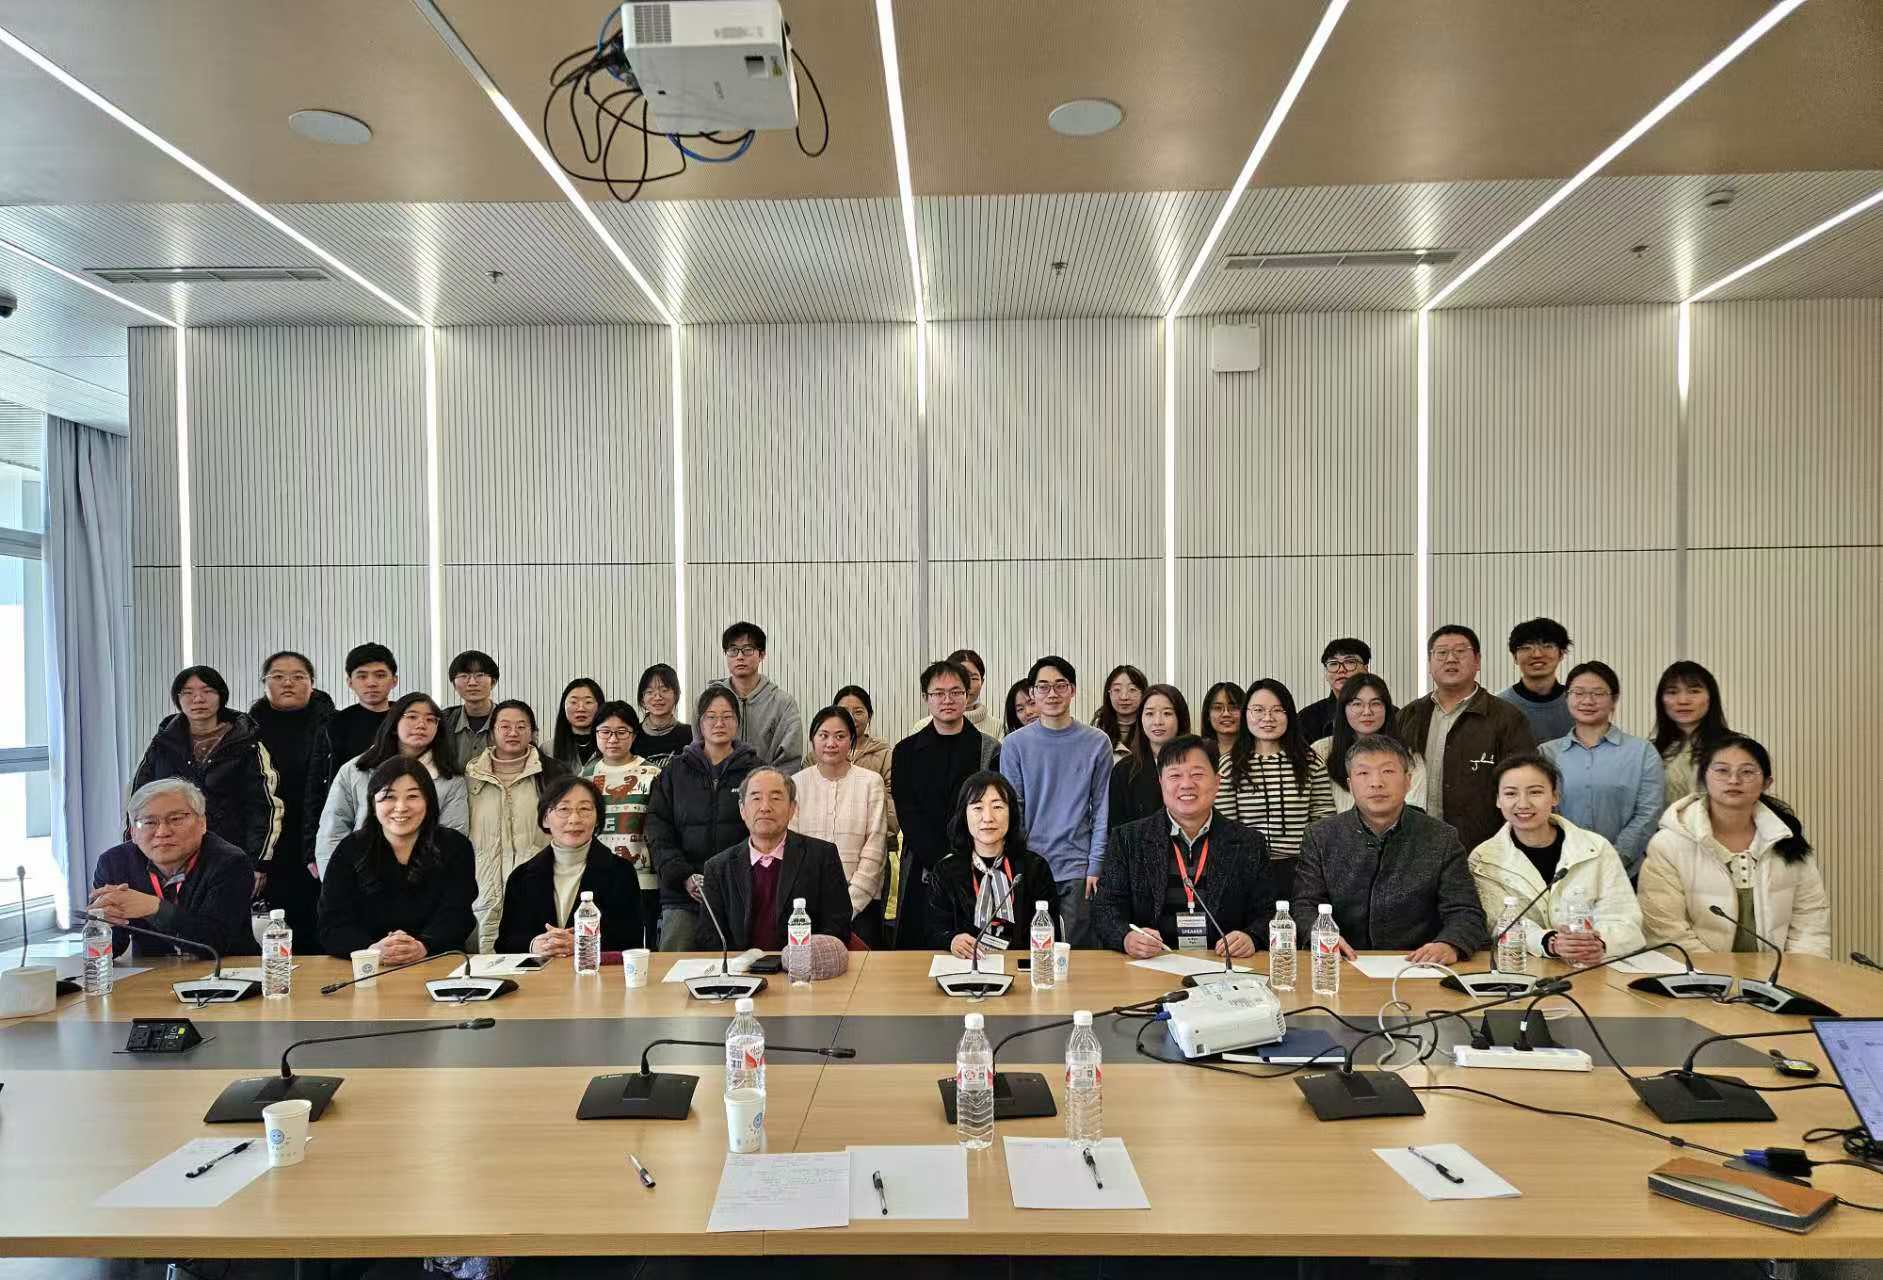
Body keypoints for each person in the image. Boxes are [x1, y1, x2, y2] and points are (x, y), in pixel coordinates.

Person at [1291, 734, 1489, 964]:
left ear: (1408, 781)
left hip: (1416, 966)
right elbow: (1304, 906)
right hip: (1340, 963)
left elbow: (1466, 911)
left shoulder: (1441, 838)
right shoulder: (1321, 836)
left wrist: (1450, 944)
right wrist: (1319, 935)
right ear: (1350, 785)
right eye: (1363, 773)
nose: (1376, 782)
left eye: (1387, 771)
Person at [1638, 735, 1830, 958]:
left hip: (1779, 973)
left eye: (1747, 772)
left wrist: (1798, 972)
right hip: (1698, 974)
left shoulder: (1786, 839)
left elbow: (1810, 920)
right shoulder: (1669, 844)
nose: (1734, 780)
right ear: (1703, 778)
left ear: (1767, 783)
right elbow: (1667, 932)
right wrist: (1717, 974)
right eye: (1722, 770)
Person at [1093, 736, 1271, 959]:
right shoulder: (1128, 839)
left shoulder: (1249, 843)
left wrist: (1252, 937)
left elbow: (1269, 912)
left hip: (1222, 964)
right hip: (1151, 963)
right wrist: (1126, 938)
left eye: (1197, 774)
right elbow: (1105, 908)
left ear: (1217, 781)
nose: (1186, 784)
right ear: (1160, 782)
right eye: (1175, 775)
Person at [1469, 754, 1645, 967]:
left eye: (1535, 792)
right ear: (1498, 800)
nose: (1523, 803)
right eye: (1510, 793)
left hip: (1594, 967)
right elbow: (1497, 924)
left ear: (1555, 797)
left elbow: (1624, 919)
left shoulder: (1596, 848)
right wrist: (1551, 942)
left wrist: (1598, 943)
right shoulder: (1484, 859)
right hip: (1525, 968)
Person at [999, 656, 1112, 946]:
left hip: (1078, 867)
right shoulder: (1014, 745)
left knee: (1077, 954)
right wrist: (1015, 863)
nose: (1052, 694)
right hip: (1031, 865)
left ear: (1072, 690)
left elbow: (1102, 809)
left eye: (1061, 685)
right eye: (1043, 686)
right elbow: (1013, 810)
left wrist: (1096, 865)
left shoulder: (1097, 742)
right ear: (1032, 693)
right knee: (1031, 951)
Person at [318, 757, 477, 961]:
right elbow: (331, 924)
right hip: (365, 967)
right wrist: (372, 950)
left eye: (412, 796)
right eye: (389, 797)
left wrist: (423, 946)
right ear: (373, 802)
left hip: (437, 961)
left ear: (428, 801)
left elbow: (458, 915)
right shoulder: (350, 849)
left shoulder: (455, 846)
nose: (401, 807)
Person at [891, 660, 1001, 949]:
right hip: (922, 866)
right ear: (925, 698)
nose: (947, 700)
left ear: (968, 695)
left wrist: (964, 859)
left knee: (975, 949)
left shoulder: (988, 749)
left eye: (955, 692)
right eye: (938, 693)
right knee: (917, 950)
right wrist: (941, 861)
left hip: (976, 863)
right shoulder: (905, 751)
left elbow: (991, 809)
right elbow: (908, 813)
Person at [1398, 625, 1538, 852]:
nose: (1450, 659)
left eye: (1460, 651)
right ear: (1430, 663)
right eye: (1441, 653)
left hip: (1483, 848)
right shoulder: (1409, 716)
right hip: (1416, 845)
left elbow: (1523, 785)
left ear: (1478, 661)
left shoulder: (1507, 718)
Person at [131, 664, 283, 873]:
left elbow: (264, 807)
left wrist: (257, 863)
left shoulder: (246, 742)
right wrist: (133, 856)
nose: (198, 699)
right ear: (177, 698)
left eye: (207, 691)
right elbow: (138, 802)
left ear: (221, 696)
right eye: (188, 693)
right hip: (171, 855)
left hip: (230, 856)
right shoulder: (163, 744)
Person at [88, 779, 258, 958]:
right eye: (149, 822)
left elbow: (215, 942)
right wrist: (101, 924)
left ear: (202, 824)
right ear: (133, 833)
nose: (162, 832)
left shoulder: (230, 863)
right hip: (154, 972)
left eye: (176, 819)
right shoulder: (114, 864)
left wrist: (155, 908)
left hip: (229, 970)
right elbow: (113, 949)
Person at [646, 686, 760, 950]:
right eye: (711, 716)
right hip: (683, 895)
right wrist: (683, 876)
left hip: (739, 893)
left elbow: (763, 833)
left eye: (727, 716)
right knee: (674, 969)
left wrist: (734, 878)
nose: (719, 723)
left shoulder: (755, 771)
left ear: (738, 723)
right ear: (699, 723)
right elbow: (657, 828)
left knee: (741, 966)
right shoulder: (675, 770)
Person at [313, 692, 470, 877]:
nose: (421, 724)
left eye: (430, 719)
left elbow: (451, 840)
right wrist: (335, 881)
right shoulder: (357, 769)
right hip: (360, 877)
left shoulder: (450, 780)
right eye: (412, 717)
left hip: (422, 882)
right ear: (394, 723)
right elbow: (332, 831)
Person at [697, 768, 853, 950]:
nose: (765, 807)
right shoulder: (718, 868)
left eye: (776, 798)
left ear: (792, 808)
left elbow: (838, 927)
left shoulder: (822, 856)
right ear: (742, 809)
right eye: (756, 798)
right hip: (741, 967)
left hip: (804, 964)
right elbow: (709, 937)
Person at [493, 775, 643, 956]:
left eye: (584, 809)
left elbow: (631, 941)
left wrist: (585, 944)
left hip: (597, 971)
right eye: (564, 809)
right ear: (545, 818)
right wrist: (534, 945)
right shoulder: (521, 876)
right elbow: (505, 943)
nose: (574, 819)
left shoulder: (621, 872)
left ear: (597, 818)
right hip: (542, 972)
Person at [463, 700, 570, 951]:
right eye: (505, 726)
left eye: (521, 726)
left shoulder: (553, 775)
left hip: (539, 883)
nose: (513, 732)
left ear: (532, 732)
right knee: (486, 960)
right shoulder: (469, 777)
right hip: (483, 886)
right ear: (492, 732)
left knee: (541, 956)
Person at [1540, 661, 1664, 874]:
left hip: (1625, 872)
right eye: (1578, 693)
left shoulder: (1642, 752)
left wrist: (1615, 859)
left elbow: (1648, 813)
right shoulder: (1547, 753)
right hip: (1561, 868)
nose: (1587, 701)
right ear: (1567, 697)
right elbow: (1542, 811)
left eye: (1598, 693)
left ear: (1614, 700)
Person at [1214, 678, 1333, 901]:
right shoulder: (1230, 764)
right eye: (1258, 710)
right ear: (1246, 714)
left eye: (1277, 710)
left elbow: (1323, 817)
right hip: (1248, 869)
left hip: (1302, 870)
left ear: (1290, 715)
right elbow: (1226, 826)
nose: (1267, 718)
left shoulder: (1310, 761)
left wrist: (1314, 862)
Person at [926, 770, 1061, 957]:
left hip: (1020, 967)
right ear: (964, 815)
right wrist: (951, 940)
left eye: (997, 807)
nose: (988, 817)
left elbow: (1052, 933)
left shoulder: (1035, 868)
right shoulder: (945, 871)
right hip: (966, 967)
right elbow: (933, 930)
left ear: (1011, 813)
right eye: (978, 808)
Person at [246, 650, 331, 942]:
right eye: (278, 676)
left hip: (319, 834)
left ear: (312, 683)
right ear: (264, 682)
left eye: (298, 676)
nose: (288, 683)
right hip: (272, 842)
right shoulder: (247, 732)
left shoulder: (333, 726)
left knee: (325, 918)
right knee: (284, 923)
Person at [791, 706, 888, 945]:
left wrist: (849, 905)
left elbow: (875, 847)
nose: (831, 743)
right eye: (823, 735)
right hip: (807, 904)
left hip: (862, 903)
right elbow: (792, 847)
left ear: (852, 740)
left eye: (840, 736)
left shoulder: (871, 782)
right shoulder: (796, 784)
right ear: (812, 740)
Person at [303, 642, 400, 857]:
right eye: (362, 676)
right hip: (348, 828)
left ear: (394, 680)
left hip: (403, 821)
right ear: (349, 682)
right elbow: (316, 787)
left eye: (380, 675)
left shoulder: (408, 721)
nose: (371, 683)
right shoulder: (334, 726)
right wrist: (311, 849)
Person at [581, 700, 663, 949]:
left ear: (634, 735)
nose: (613, 739)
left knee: (639, 947)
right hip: (596, 874)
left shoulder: (652, 774)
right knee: (599, 944)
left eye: (621, 732)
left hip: (643, 878)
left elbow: (661, 827)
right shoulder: (586, 775)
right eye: (605, 732)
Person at [1313, 673, 1426, 815]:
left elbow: (1414, 813)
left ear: (1387, 709)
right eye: (1357, 704)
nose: (1367, 712)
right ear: (1343, 709)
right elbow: (1315, 810)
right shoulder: (1321, 751)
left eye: (1375, 703)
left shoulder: (1409, 756)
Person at [801, 685, 897, 835]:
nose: (851, 717)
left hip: (872, 835)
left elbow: (893, 802)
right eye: (844, 712)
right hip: (821, 837)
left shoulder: (884, 755)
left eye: (858, 712)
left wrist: (881, 834)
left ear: (869, 716)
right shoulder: (815, 757)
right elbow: (805, 800)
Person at [713, 621, 803, 768]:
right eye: (733, 650)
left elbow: (789, 761)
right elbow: (700, 752)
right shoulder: (709, 702)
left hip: (769, 781)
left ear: (762, 655)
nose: (739, 657)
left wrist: (766, 781)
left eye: (747, 650)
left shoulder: (783, 703)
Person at [1108, 683, 1190, 828]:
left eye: (1167, 713)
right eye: (1150, 714)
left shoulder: (1197, 764)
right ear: (1141, 719)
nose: (1158, 722)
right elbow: (1116, 830)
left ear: (1180, 718)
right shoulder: (1124, 770)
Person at [1652, 660, 1730, 808]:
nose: (1683, 701)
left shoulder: (1735, 747)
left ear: (1711, 698)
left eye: (1694, 691)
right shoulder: (1651, 751)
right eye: (1672, 692)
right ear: (1661, 700)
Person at [1498, 618, 1575, 742]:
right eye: (1526, 647)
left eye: (1547, 646)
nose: (1537, 654)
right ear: (1515, 657)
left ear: (1561, 654)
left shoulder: (1578, 702)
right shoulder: (1499, 706)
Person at [914, 648, 1002, 740]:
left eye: (973, 678)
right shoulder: (922, 727)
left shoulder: (997, 728)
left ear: (982, 682)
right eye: (939, 693)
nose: (968, 684)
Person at [1298, 638, 1370, 744]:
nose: (1341, 670)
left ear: (1365, 669)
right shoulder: (1307, 718)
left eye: (1350, 662)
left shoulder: (1387, 713)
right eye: (1333, 663)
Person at [442, 649, 500, 764]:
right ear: (454, 684)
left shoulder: (512, 720)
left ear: (493, 682)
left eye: (480, 675)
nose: (472, 682)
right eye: (464, 676)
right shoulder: (444, 721)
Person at [634, 664, 691, 766]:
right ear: (642, 699)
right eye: (650, 691)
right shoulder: (632, 736)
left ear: (676, 695)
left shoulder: (690, 735)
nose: (657, 697)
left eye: (664, 690)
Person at [549, 677, 606, 771]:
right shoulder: (548, 749)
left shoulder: (611, 745)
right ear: (563, 706)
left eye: (588, 702)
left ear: (600, 706)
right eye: (573, 702)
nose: (581, 708)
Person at [1094, 664, 1148, 760]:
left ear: (1143, 693)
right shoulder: (1097, 733)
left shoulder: (1153, 731)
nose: (1124, 697)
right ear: (1109, 694)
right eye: (1117, 690)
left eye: (1132, 689)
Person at [1200, 681, 1243, 763]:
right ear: (1208, 715)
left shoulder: (1257, 752)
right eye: (1218, 708)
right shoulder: (1197, 752)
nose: (1226, 714)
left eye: (1233, 707)